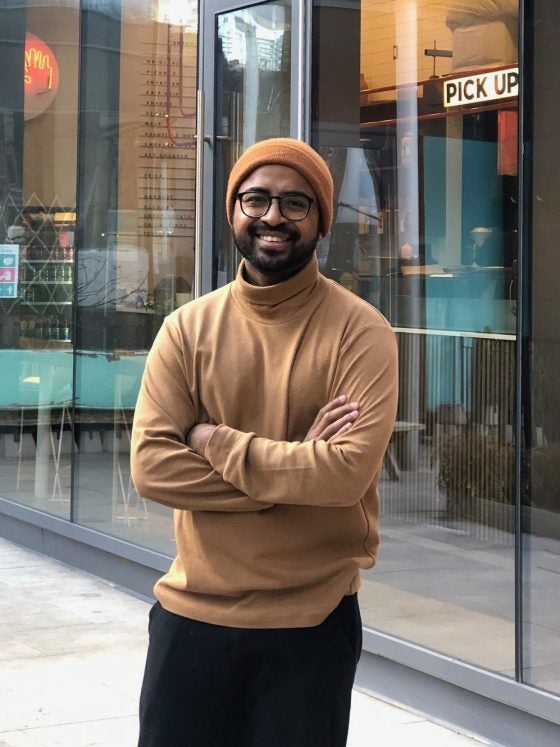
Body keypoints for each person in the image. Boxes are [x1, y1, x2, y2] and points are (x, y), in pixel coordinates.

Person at [130, 137, 398, 747]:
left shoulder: (361, 333)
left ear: (321, 221)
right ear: (233, 211)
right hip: (190, 616)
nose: (272, 216)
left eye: (295, 203)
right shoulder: (186, 329)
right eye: (256, 199)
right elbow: (151, 468)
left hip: (310, 623)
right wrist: (296, 465)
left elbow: (344, 475)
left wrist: (211, 438)